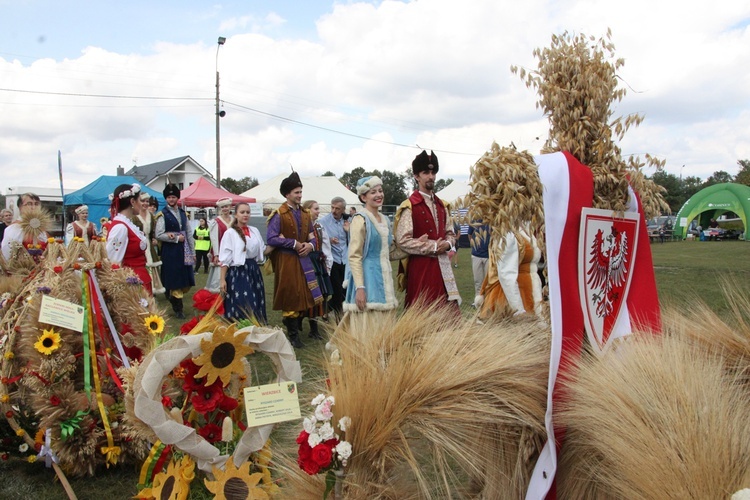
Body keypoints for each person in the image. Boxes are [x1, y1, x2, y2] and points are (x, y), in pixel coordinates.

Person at [394, 150, 461, 312]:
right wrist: (433, 247)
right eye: (426, 173)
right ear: (417, 176)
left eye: (433, 172)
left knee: (447, 311)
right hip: (421, 267)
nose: (430, 176)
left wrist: (446, 243)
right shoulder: (409, 206)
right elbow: (402, 241)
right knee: (422, 310)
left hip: (443, 265)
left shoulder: (442, 205)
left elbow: (450, 234)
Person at [266, 171, 323, 348]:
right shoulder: (279, 214)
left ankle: (295, 328)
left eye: (300, 192)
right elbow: (271, 238)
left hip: (304, 260)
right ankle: (292, 335)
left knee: (304, 294)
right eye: (296, 192)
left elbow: (313, 236)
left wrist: (310, 246)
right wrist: (294, 243)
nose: (299, 195)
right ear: (287, 194)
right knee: (291, 294)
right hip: (287, 261)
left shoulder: (306, 214)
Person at [344, 176, 399, 313]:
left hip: (384, 277)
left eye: (380, 191)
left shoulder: (385, 219)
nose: (379, 195)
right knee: (369, 324)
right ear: (364, 197)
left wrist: (416, 246)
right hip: (367, 278)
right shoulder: (359, 219)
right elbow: (354, 256)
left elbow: (387, 252)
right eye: (373, 192)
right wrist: (360, 288)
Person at [477, 227, 543, 319]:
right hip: (513, 295)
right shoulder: (508, 234)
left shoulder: (524, 228)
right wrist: (518, 309)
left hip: (529, 290)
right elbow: (506, 274)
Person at [219, 202, 267, 324]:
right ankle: (239, 330)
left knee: (256, 300)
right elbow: (225, 258)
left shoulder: (254, 230)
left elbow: (263, 249)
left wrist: (280, 242)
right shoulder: (230, 233)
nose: (245, 215)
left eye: (248, 212)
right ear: (236, 214)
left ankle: (256, 328)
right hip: (238, 272)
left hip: (253, 270)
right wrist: (222, 279)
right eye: (242, 212)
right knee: (242, 302)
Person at [155, 183, 195, 319]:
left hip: (184, 250)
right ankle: (178, 308)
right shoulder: (162, 214)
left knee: (185, 279)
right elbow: (158, 234)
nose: (171, 199)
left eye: (173, 197)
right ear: (166, 199)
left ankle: (172, 295)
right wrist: (176, 238)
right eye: (169, 197)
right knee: (175, 278)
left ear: (177, 198)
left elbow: (189, 233)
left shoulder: (183, 213)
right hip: (171, 250)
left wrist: (193, 251)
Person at [106, 183, 152, 294]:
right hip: (132, 283)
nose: (142, 204)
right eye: (140, 200)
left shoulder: (127, 223)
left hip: (138, 280)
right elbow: (113, 262)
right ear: (132, 202)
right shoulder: (121, 227)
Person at [302, 199, 332, 339]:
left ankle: (314, 329)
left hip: (318, 262)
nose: (318, 211)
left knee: (320, 295)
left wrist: (327, 263)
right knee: (308, 295)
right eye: (316, 208)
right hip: (306, 263)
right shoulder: (301, 227)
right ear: (307, 210)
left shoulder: (319, 227)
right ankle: (296, 321)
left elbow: (326, 246)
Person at [317, 196, 349, 319]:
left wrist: (349, 230)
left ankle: (327, 312)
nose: (334, 211)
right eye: (332, 207)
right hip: (333, 260)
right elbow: (318, 240)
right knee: (337, 292)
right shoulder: (323, 222)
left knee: (345, 292)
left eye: (337, 208)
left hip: (346, 260)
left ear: (343, 209)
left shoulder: (348, 221)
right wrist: (329, 240)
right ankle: (330, 314)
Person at [133, 193, 165, 295]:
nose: (145, 203)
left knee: (152, 269)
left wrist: (154, 239)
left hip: (149, 246)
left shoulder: (151, 216)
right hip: (138, 247)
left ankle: (152, 293)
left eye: (147, 201)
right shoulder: (134, 216)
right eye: (143, 201)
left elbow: (152, 233)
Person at [1, 193, 49, 261]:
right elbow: (7, 254)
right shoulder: (14, 228)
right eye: (29, 204)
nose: (33, 207)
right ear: (20, 207)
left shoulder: (42, 229)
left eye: (36, 204)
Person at [205, 197, 234, 293]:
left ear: (230, 207)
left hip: (232, 252)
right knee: (219, 277)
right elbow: (214, 238)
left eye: (226, 206)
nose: (225, 209)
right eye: (222, 207)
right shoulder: (216, 221)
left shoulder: (234, 220)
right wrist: (216, 254)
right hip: (221, 252)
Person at [467, 222, 490, 306]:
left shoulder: (491, 219)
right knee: (477, 280)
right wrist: (474, 247)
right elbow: (469, 234)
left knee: (488, 280)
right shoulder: (474, 220)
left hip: (488, 255)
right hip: (476, 255)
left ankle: (488, 299)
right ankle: (478, 300)